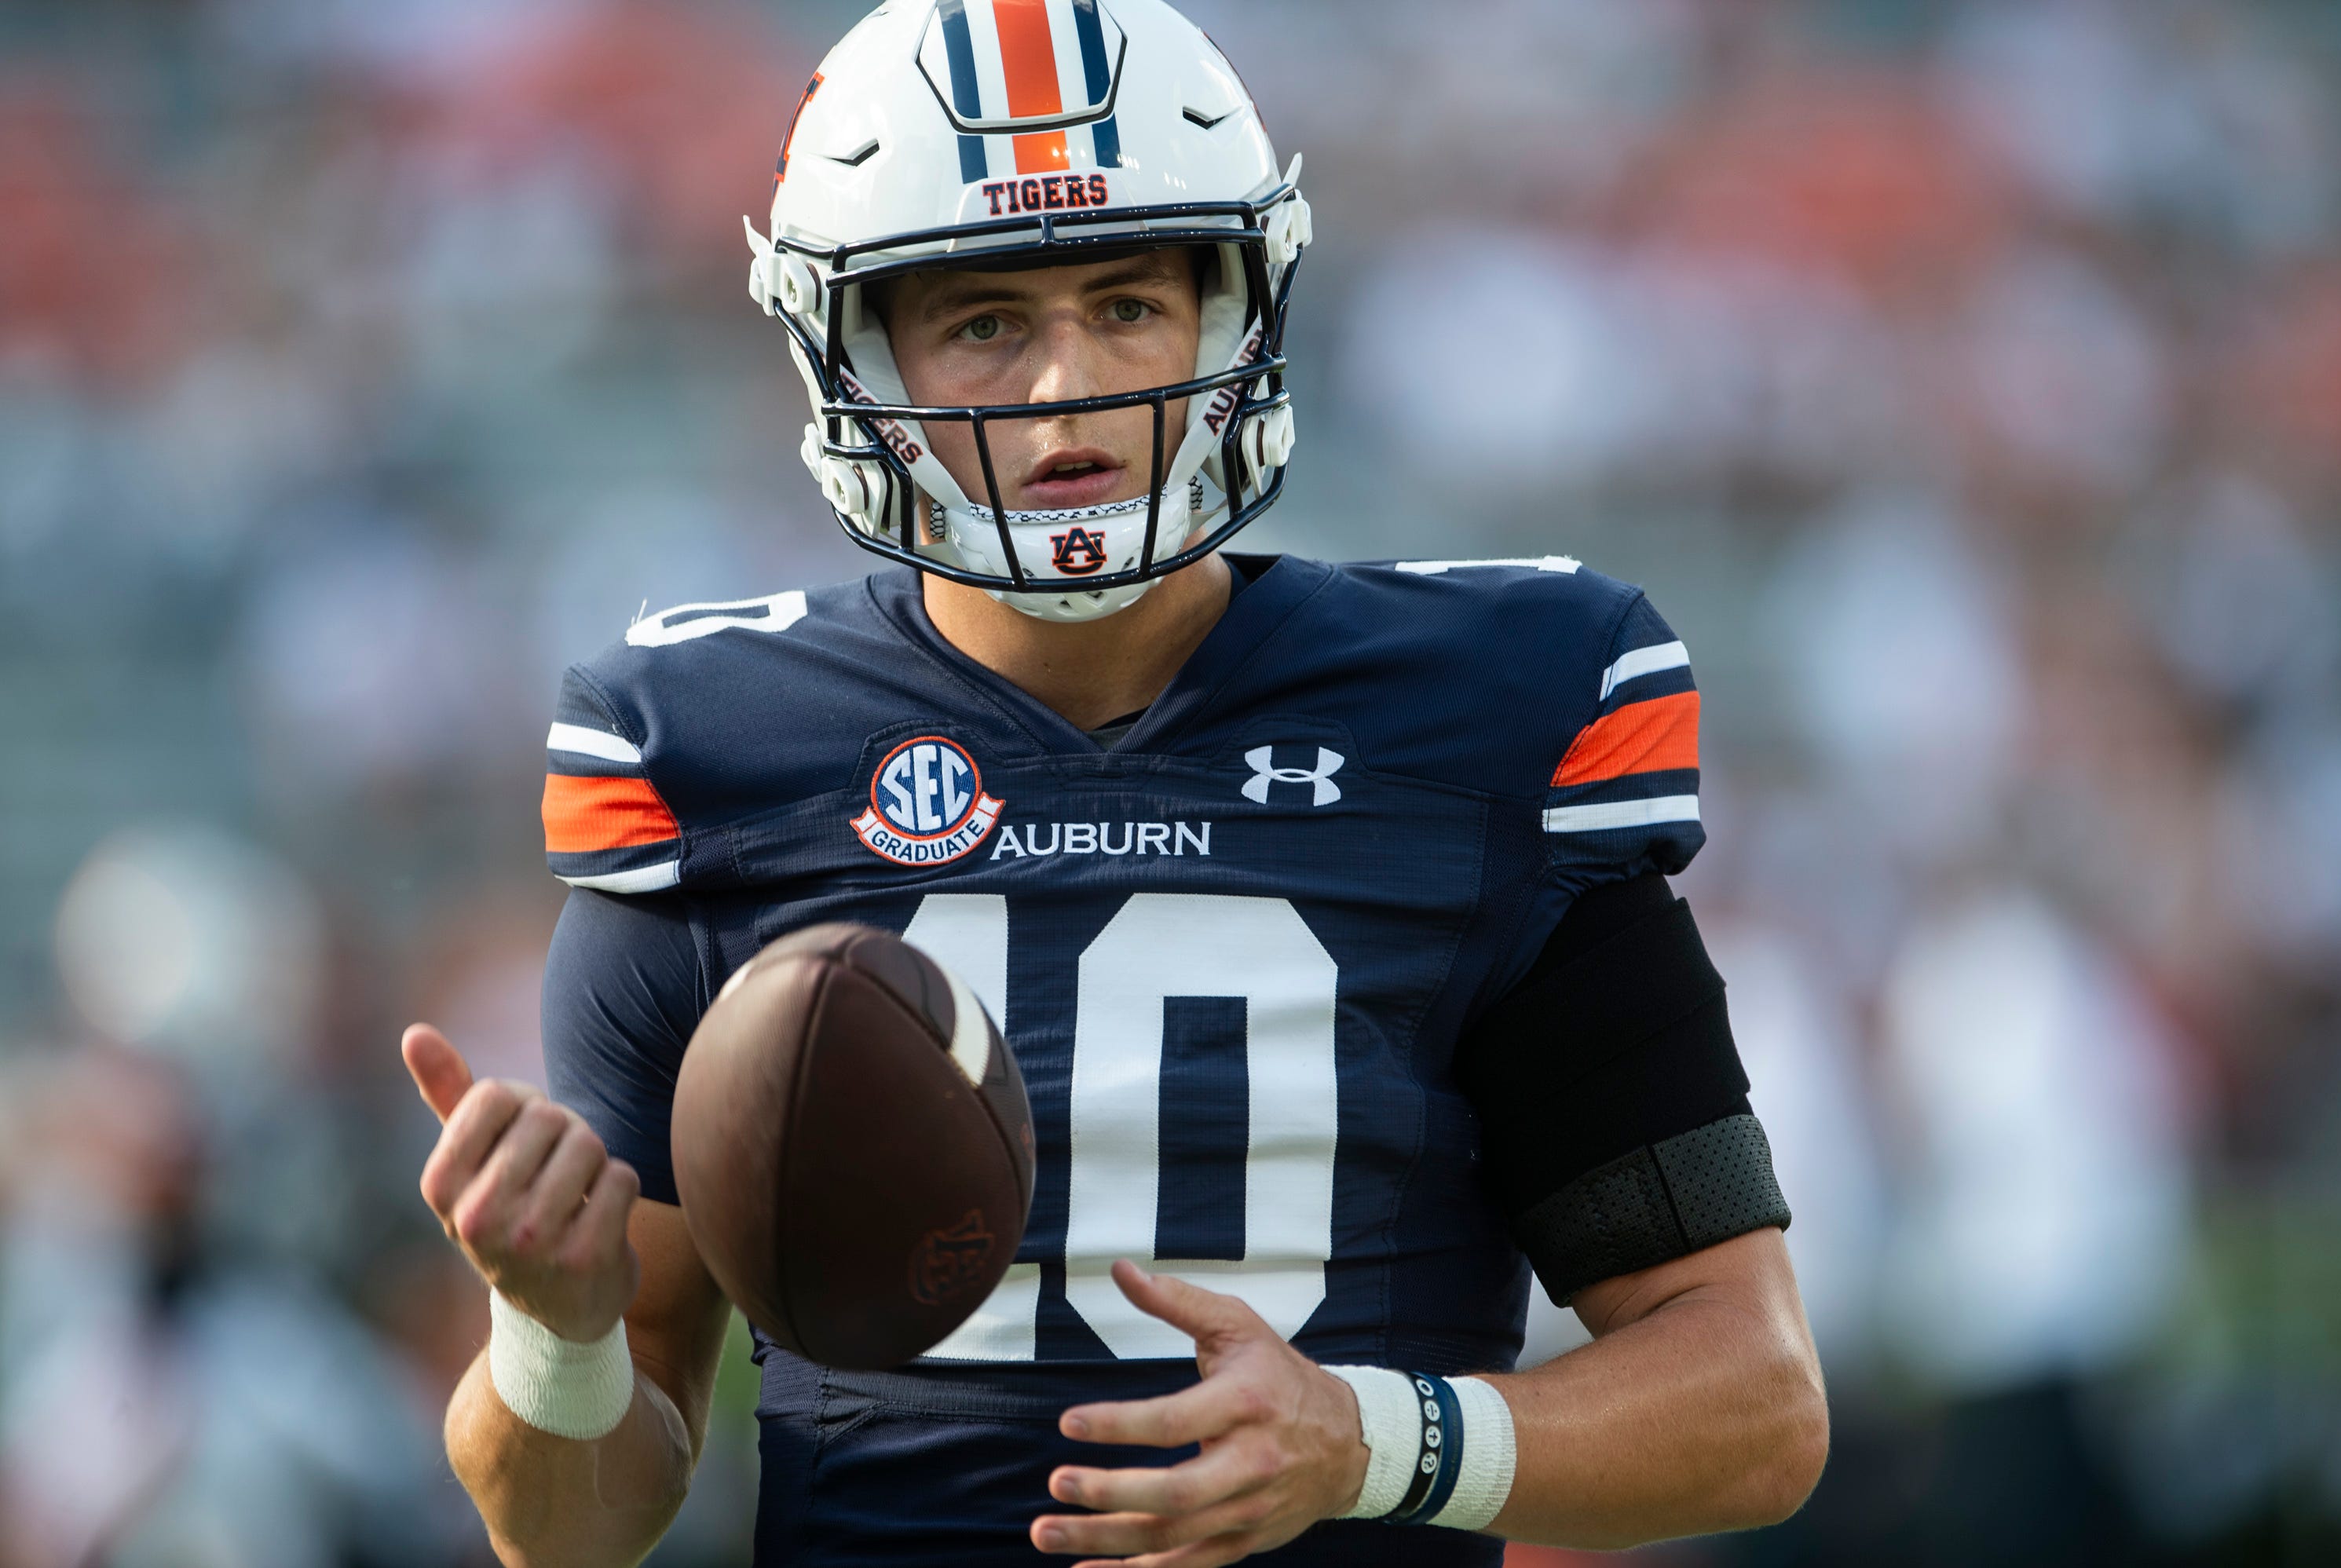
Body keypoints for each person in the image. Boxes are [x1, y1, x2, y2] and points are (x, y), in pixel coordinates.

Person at [401, 2, 1828, 1563]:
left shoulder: (1485, 720)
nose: (1067, 386)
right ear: (855, 354)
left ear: (1236, 316)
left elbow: (1752, 1402)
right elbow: (574, 1531)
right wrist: (554, 1332)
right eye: (985, 322)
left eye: (1131, 302)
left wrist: (1375, 1444)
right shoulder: (715, 756)